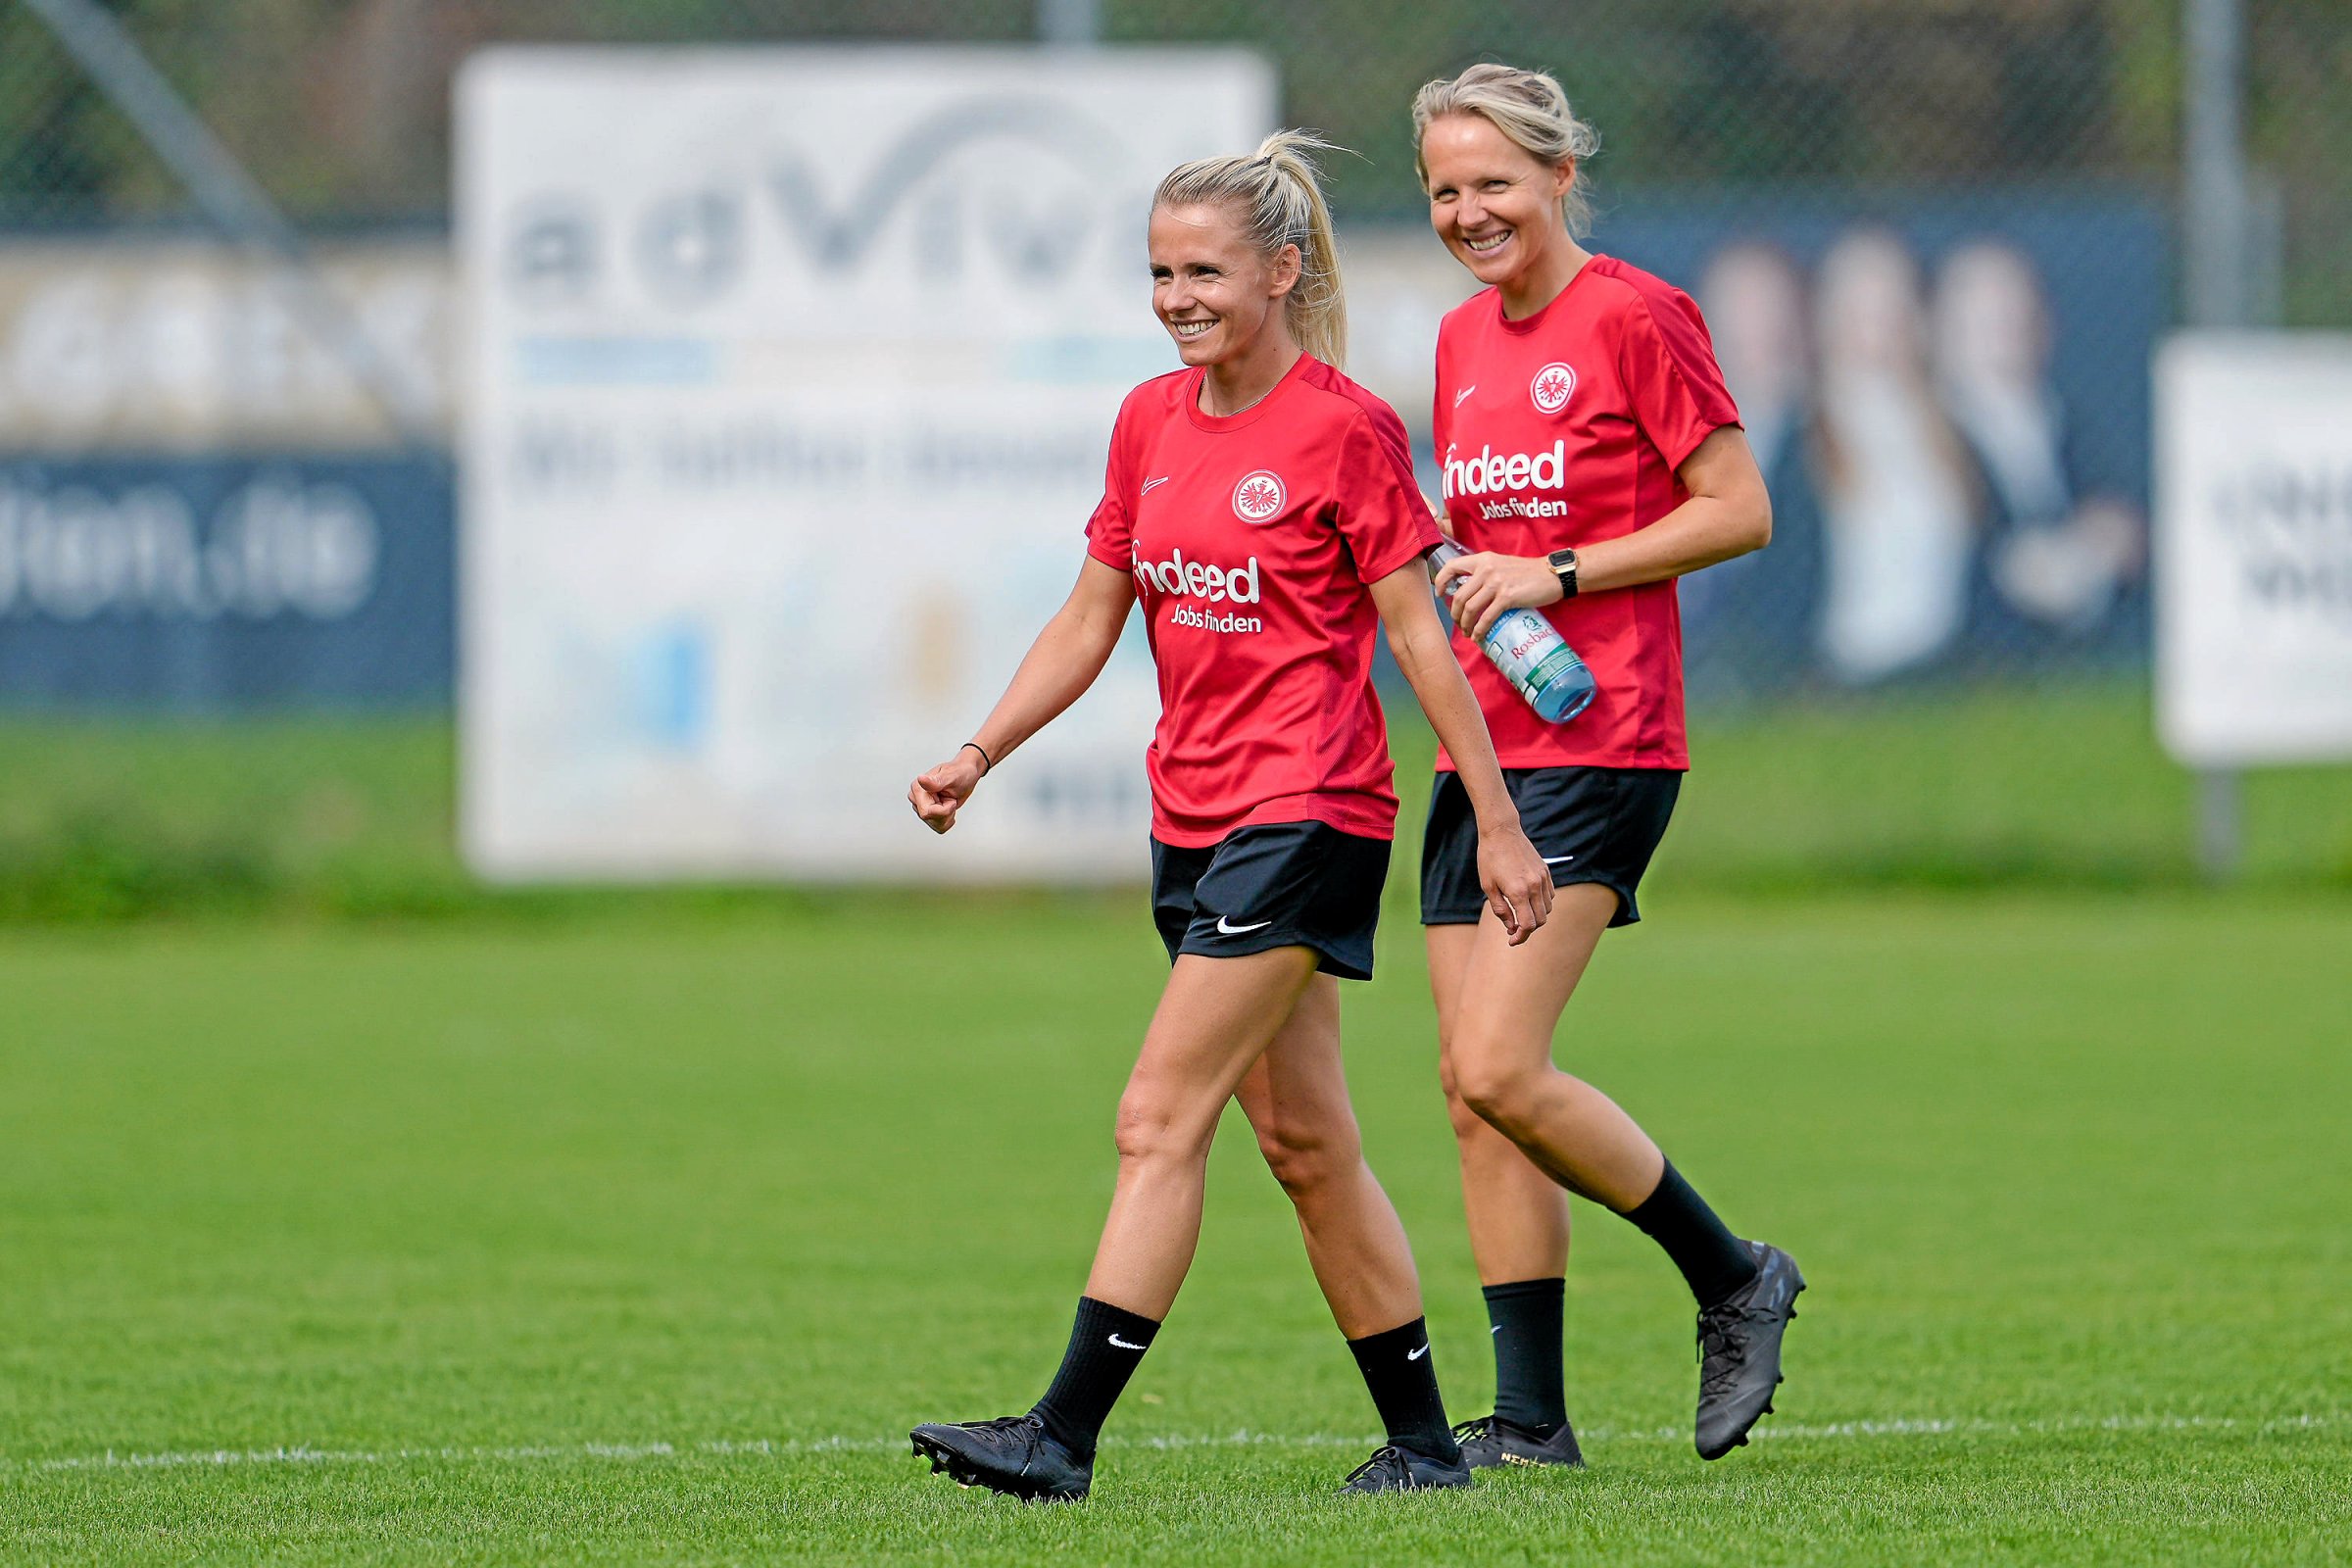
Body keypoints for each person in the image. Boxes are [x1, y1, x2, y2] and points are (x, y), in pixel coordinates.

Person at [904, 130, 1554, 1500]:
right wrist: (980, 750)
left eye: (1204, 270)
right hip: (1190, 817)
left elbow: (1422, 640)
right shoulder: (1148, 420)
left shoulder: (1345, 426)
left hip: (1308, 813)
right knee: (1307, 1144)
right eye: (1158, 272)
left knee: (1158, 1118)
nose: (1178, 296)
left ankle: (1060, 1436)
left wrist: (1495, 820)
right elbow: (1095, 616)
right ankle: (1429, 1449)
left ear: (1281, 269)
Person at [1406, 63, 1803, 1468]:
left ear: (1561, 176)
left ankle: (1731, 1274)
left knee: (1504, 1065)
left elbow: (1739, 508)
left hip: (1606, 739)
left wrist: (1557, 573)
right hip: (1485, 760)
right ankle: (1528, 1424)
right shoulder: (1457, 341)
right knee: (1470, 1092)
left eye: (1495, 182)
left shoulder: (1637, 315)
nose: (1469, 210)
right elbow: (1475, 548)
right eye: (1445, 188)